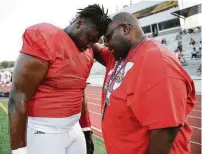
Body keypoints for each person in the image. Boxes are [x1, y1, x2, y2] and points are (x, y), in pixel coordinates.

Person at [8, 4, 110, 154]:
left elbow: (79, 92)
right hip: (44, 131)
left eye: (93, 41)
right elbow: (18, 97)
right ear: (80, 23)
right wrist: (19, 150)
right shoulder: (45, 37)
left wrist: (86, 129)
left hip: (74, 128)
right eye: (89, 38)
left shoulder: (88, 50)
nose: (89, 44)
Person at [92, 12, 196, 154]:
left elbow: (166, 131)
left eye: (108, 37)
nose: (106, 43)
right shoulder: (118, 55)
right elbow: (95, 48)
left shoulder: (156, 60)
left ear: (125, 29)